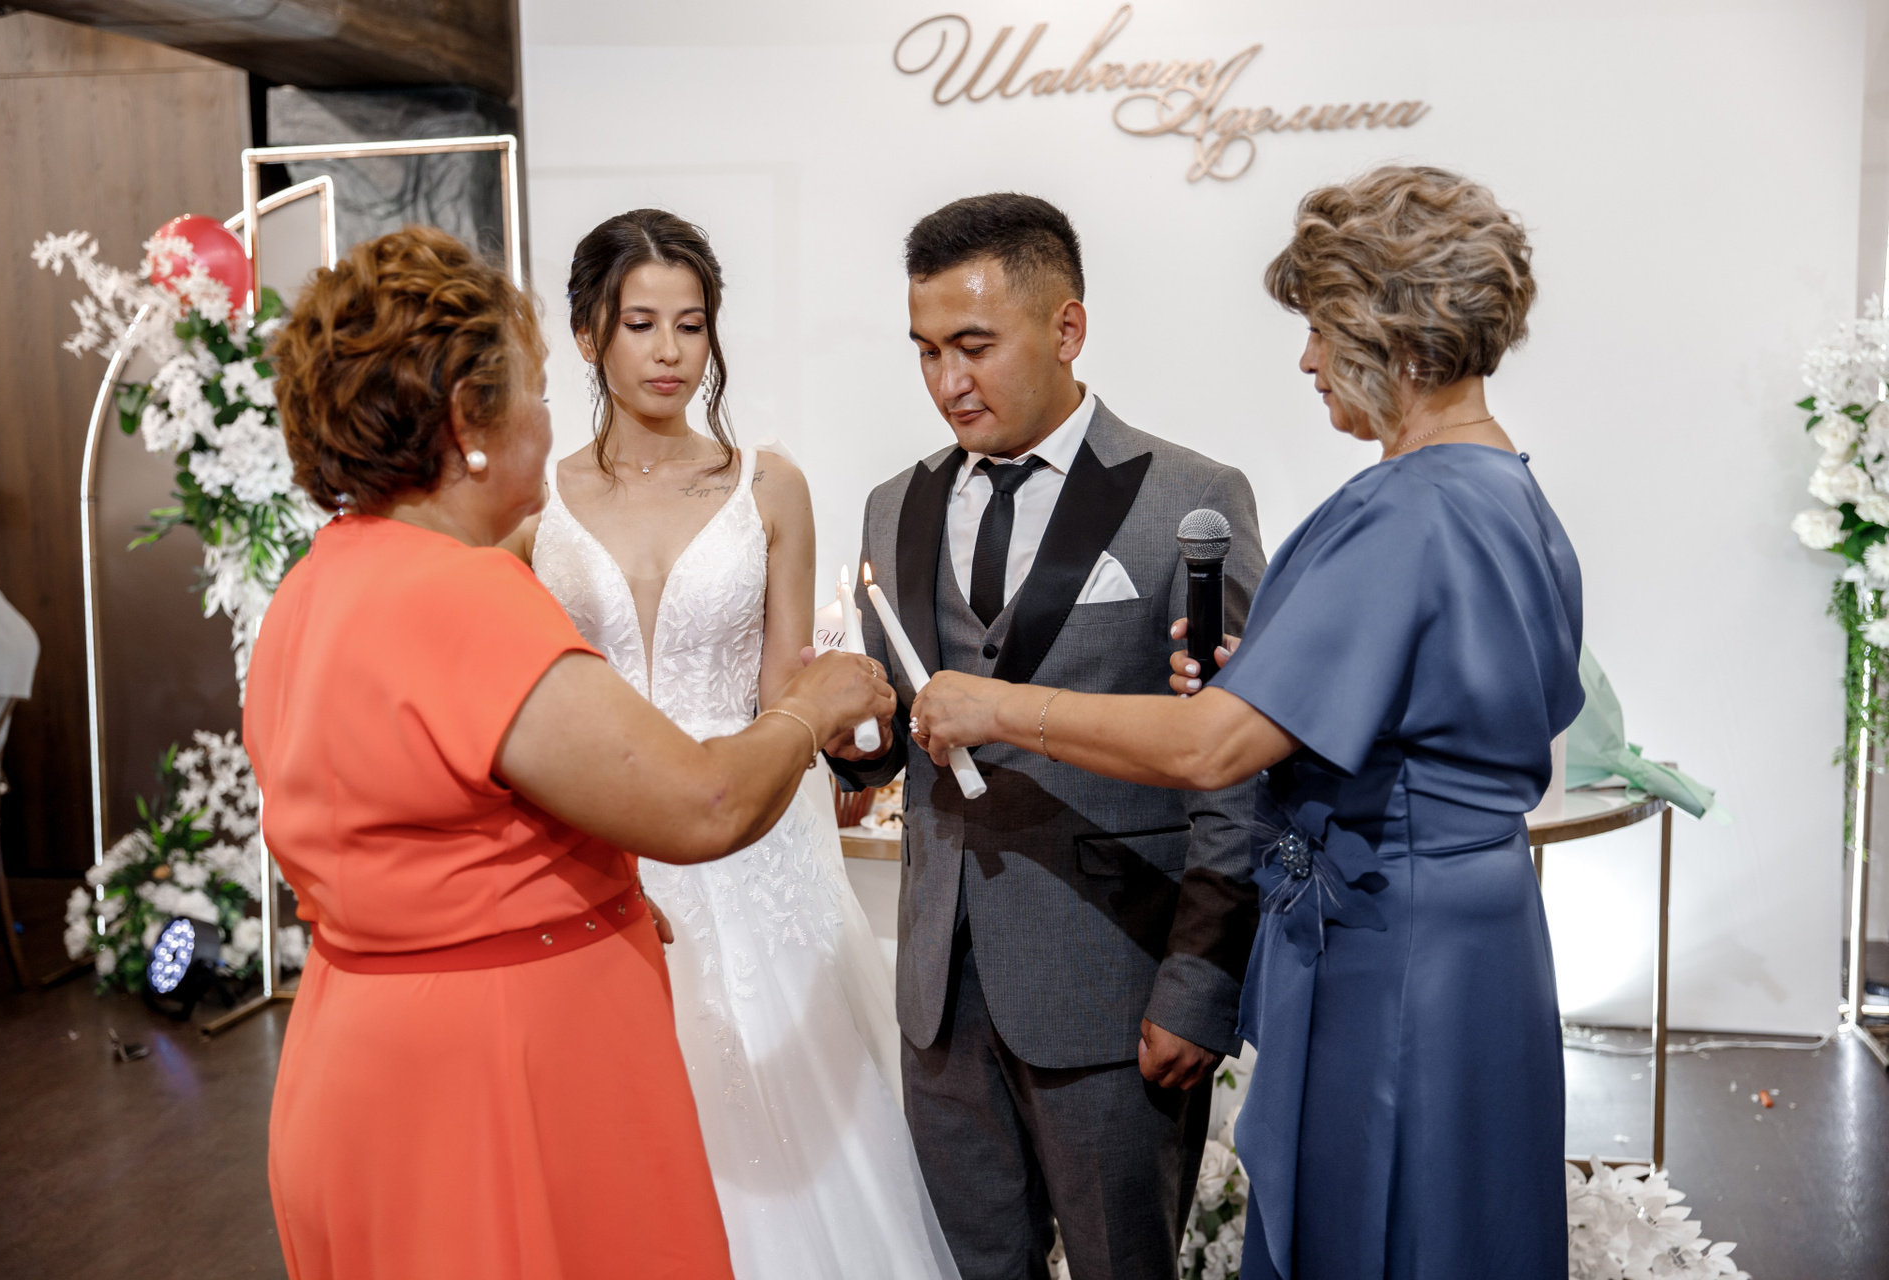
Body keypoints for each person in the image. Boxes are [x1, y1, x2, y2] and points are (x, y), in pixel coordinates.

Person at [907, 167, 1581, 1280]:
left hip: (1395, 947)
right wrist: (1271, 688)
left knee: (1383, 1225)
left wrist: (995, 703)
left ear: (1393, 332)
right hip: (1478, 939)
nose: (1308, 359)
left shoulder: (1406, 508)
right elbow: (1440, 715)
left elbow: (1211, 748)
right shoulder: (1506, 489)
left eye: (1320, 328)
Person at [245, 225, 894, 1280]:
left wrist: (586, 888)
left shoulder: (317, 585)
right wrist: (810, 707)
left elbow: (436, 821)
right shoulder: (467, 598)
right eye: (536, 391)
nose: (550, 421)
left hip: (355, 1051)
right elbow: (703, 805)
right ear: (471, 421)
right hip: (490, 1077)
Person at [504, 208, 959, 1280]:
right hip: (604, 836)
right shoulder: (532, 507)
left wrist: (843, 724)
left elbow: (783, 691)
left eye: (692, 323)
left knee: (792, 1115)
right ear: (587, 334)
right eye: (640, 324)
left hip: (757, 841)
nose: (670, 351)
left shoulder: (768, 486)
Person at [828, 193, 1267, 1280]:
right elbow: (893, 737)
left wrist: (1201, 983)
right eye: (926, 350)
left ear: (1067, 328)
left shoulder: (1190, 499)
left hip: (1114, 986)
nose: (947, 381)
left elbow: (1238, 763)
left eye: (974, 345)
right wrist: (850, 731)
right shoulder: (895, 504)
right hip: (940, 994)